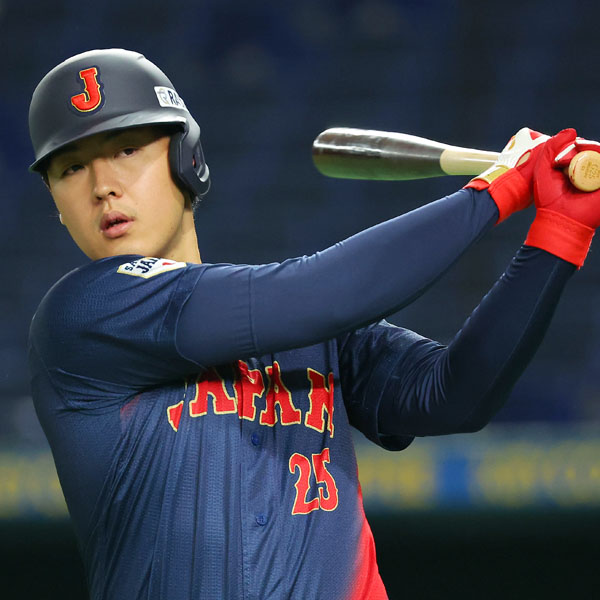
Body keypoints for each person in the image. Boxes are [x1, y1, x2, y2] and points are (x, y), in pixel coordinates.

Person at [27, 48, 600, 600]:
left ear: (187, 158)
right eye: (71, 167)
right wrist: (499, 189)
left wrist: (558, 235)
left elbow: (451, 397)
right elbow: (320, 292)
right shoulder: (82, 315)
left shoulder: (298, 319)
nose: (101, 185)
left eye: (126, 149)